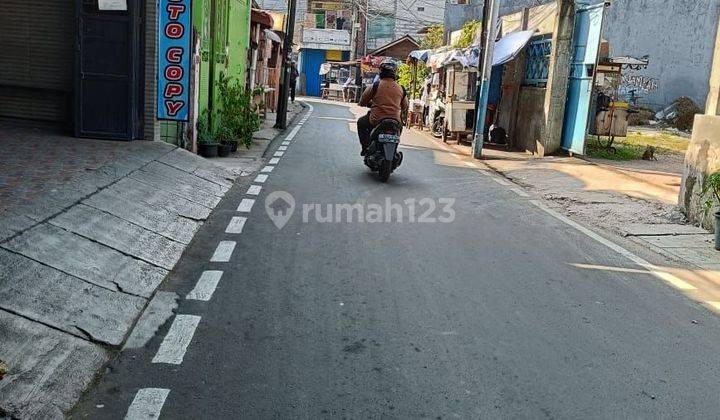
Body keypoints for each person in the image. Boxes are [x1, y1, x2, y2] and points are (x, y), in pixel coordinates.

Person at [356, 60, 409, 155]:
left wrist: (366, 104)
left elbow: (363, 100)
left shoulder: (376, 85)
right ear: (395, 73)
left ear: (381, 72)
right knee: (399, 128)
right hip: (395, 121)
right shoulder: (401, 88)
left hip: (376, 120)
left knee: (361, 122)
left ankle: (365, 148)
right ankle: (394, 149)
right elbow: (405, 106)